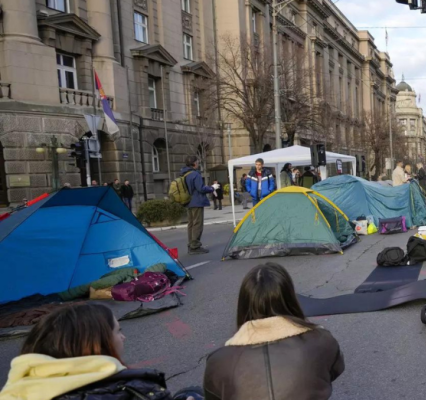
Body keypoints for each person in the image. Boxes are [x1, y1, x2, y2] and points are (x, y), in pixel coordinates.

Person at [0, 304, 203, 400]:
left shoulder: (16, 390)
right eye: (118, 331)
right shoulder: (130, 392)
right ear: (94, 344)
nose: (123, 337)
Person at [205, 263, 344, 399]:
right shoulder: (321, 340)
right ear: (290, 298)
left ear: (244, 303)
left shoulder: (219, 360)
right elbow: (334, 371)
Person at [181, 155, 214, 255]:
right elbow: (201, 188)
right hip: (197, 201)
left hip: (188, 202)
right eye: (198, 162)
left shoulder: (184, 174)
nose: (198, 163)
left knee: (191, 224)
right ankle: (195, 246)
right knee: (197, 224)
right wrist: (211, 188)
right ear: (194, 163)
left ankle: (191, 245)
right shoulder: (195, 175)